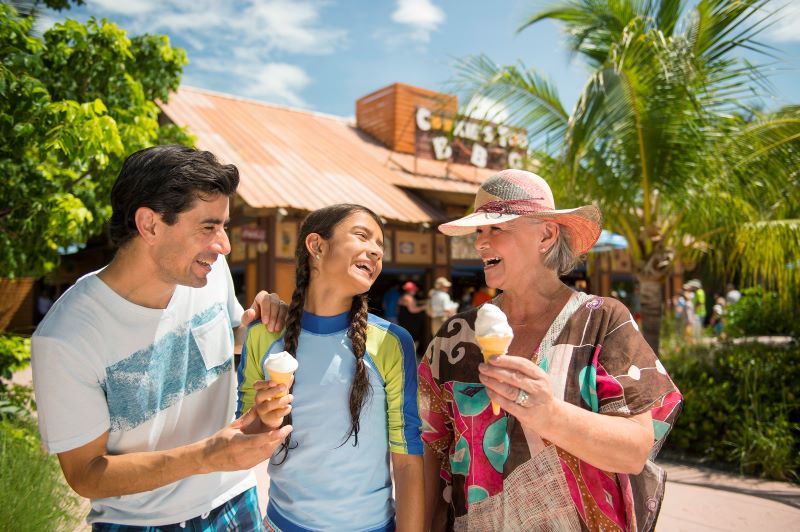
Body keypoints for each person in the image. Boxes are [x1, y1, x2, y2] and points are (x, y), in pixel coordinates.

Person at [31, 145, 290, 530]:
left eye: (224, 226)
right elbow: (85, 474)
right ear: (149, 224)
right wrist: (206, 456)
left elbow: (228, 340)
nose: (224, 245)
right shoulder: (66, 336)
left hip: (235, 499)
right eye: (208, 227)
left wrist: (259, 324)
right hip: (141, 523)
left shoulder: (210, 275)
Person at [418, 169, 682, 531]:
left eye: (497, 228)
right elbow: (429, 454)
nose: (480, 243)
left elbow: (634, 450)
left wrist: (549, 414)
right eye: (479, 231)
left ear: (545, 234)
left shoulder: (602, 320)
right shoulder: (454, 337)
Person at [237, 204, 423, 531]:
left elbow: (407, 460)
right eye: (363, 236)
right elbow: (240, 448)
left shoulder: (392, 343)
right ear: (317, 246)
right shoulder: (262, 337)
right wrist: (261, 419)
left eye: (380, 246)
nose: (376, 252)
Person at [398, 280, 428, 360]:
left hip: (406, 321)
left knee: (408, 339)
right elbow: (413, 310)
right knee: (412, 339)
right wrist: (424, 307)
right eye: (414, 289)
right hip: (410, 322)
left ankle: (408, 357)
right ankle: (409, 357)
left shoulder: (405, 296)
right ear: (410, 290)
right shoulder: (408, 298)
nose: (415, 291)